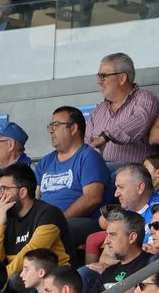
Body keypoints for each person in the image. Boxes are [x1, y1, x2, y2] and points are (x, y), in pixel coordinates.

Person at [34, 106, 113, 251]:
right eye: (50, 126)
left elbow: (92, 198)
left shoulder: (88, 157)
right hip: (44, 223)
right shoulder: (45, 161)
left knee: (48, 236)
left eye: (56, 125)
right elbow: (35, 197)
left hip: (79, 222)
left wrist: (58, 221)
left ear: (73, 128)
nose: (51, 130)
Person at [0, 164, 70, 280]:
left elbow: (32, 254)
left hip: (54, 278)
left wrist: (0, 280)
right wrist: (0, 223)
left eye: (4, 189)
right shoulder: (6, 216)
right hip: (18, 276)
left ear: (23, 192)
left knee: (15, 279)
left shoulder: (48, 214)